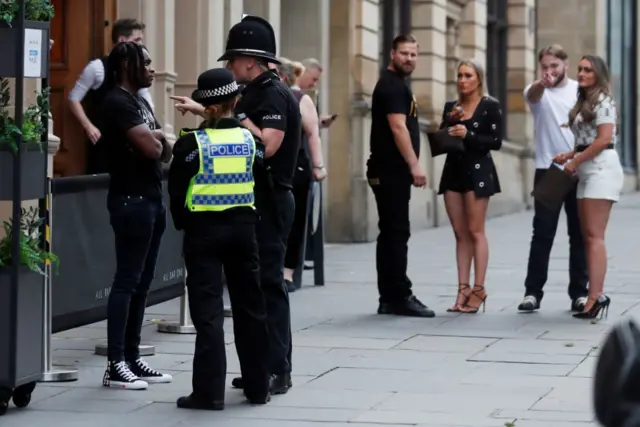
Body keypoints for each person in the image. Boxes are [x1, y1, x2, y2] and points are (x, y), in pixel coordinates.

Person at [171, 15, 301, 395]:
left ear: (250, 59)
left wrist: (237, 113)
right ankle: (261, 369)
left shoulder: (271, 92)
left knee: (270, 287)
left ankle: (278, 368)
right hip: (254, 203)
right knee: (256, 290)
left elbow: (269, 145)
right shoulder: (254, 91)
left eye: (233, 60)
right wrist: (209, 112)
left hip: (272, 199)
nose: (229, 66)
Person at [168, 68, 271, 409]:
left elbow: (176, 193)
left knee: (208, 313)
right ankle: (258, 387)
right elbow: (263, 189)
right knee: (250, 309)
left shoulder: (190, 145)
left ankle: (209, 393)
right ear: (235, 101)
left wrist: (187, 224)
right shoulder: (251, 142)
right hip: (243, 232)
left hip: (203, 234)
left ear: (204, 105)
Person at [101, 42, 173, 390]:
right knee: (127, 282)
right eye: (145, 62)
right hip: (131, 201)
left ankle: (132, 357)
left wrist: (156, 138)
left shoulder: (140, 102)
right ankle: (115, 364)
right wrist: (155, 139)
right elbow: (153, 147)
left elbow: (163, 150)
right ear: (126, 65)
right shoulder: (116, 102)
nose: (151, 68)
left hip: (151, 199)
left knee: (142, 283)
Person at [366, 34, 433, 318]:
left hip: (390, 170)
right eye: (404, 53)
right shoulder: (392, 86)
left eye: (413, 54)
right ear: (392, 53)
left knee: (393, 232)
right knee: (396, 232)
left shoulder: (398, 85)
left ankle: (390, 296)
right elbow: (398, 128)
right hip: (390, 170)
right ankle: (398, 295)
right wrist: (415, 165)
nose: (409, 59)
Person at [519, 45, 589, 313]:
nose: (549, 72)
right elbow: (533, 95)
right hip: (549, 170)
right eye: (545, 67)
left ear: (566, 65)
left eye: (554, 67)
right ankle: (532, 293)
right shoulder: (536, 91)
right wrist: (541, 82)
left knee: (579, 234)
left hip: (579, 168)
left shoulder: (580, 91)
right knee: (542, 233)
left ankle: (579, 293)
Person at [553, 55, 622, 319]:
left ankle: (595, 296)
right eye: (580, 69)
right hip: (586, 169)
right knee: (587, 236)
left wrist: (576, 160)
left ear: (598, 74)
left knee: (594, 236)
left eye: (587, 70)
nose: (581, 74)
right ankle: (593, 295)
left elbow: (604, 140)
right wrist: (569, 155)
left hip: (601, 169)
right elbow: (587, 140)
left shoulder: (604, 101)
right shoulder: (585, 101)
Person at [438, 59, 503, 314]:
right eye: (460, 76)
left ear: (479, 79)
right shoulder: (451, 106)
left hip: (478, 173)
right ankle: (462, 289)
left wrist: (469, 134)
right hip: (453, 171)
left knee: (476, 231)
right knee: (459, 233)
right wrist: (449, 124)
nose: (463, 80)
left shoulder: (490, 106)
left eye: (468, 75)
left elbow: (496, 141)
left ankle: (478, 289)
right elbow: (441, 142)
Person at [68, 18, 153, 175]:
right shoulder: (97, 68)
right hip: (104, 144)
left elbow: (147, 101)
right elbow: (74, 98)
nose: (141, 45)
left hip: (131, 142)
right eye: (137, 40)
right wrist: (89, 126)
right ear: (122, 40)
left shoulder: (139, 70)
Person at [275, 59, 326, 293]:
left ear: (283, 77)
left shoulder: (300, 99)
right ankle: (278, 271)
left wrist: (318, 166)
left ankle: (287, 273)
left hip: (297, 167)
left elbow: (313, 134)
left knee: (294, 221)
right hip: (277, 166)